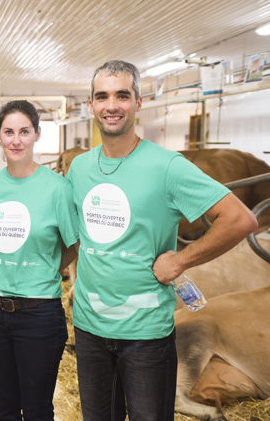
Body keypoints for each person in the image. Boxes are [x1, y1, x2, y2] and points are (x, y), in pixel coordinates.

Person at [66, 60, 258, 421]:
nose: (111, 105)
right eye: (102, 96)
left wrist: (182, 260)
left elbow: (239, 219)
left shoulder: (168, 166)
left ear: (139, 102)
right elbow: (76, 235)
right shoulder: (80, 168)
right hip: (89, 329)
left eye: (122, 95)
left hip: (145, 333)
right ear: (91, 105)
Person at [0, 100, 78, 421]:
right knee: (3, 409)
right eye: (9, 132)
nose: (16, 140)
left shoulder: (58, 188)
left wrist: (48, 268)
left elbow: (74, 244)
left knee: (37, 409)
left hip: (39, 314)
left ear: (37, 134)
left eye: (24, 132)